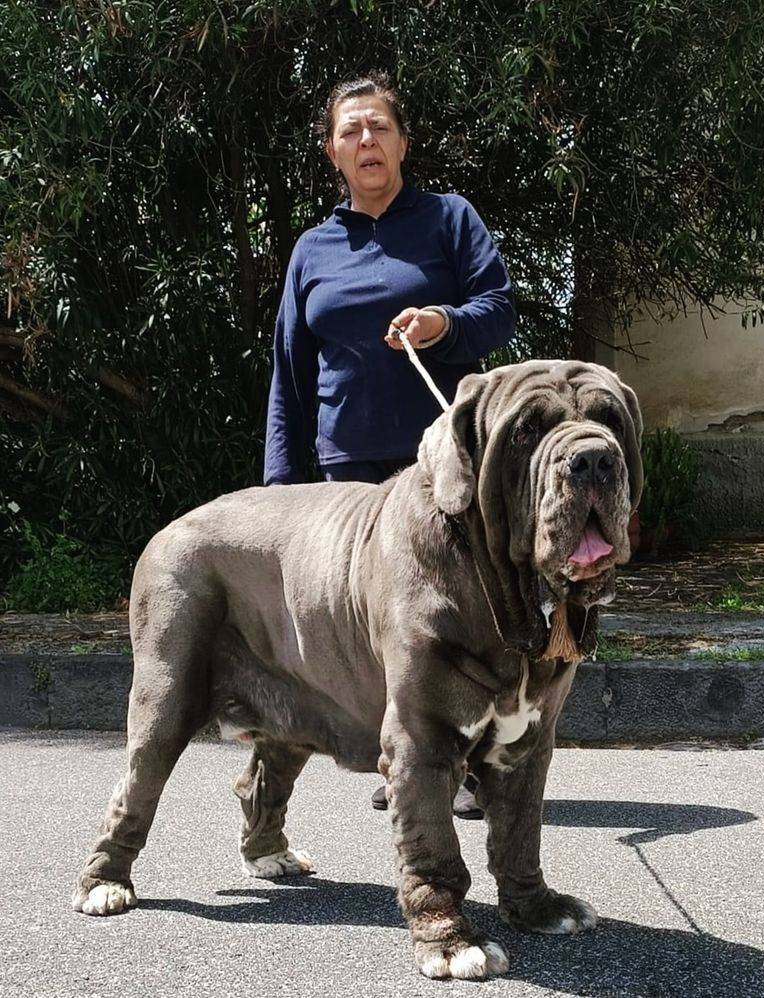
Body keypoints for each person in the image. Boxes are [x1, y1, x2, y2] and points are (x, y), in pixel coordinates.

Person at [263, 73, 515, 818]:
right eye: (351, 131)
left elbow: (498, 311)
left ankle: (467, 764)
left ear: (403, 142)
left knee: (454, 612)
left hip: (441, 459)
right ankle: (407, 755)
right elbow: (289, 369)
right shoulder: (312, 249)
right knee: (373, 621)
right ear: (333, 153)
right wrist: (282, 485)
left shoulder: (448, 219)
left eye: (378, 127)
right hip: (349, 469)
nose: (366, 141)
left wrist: (442, 322)